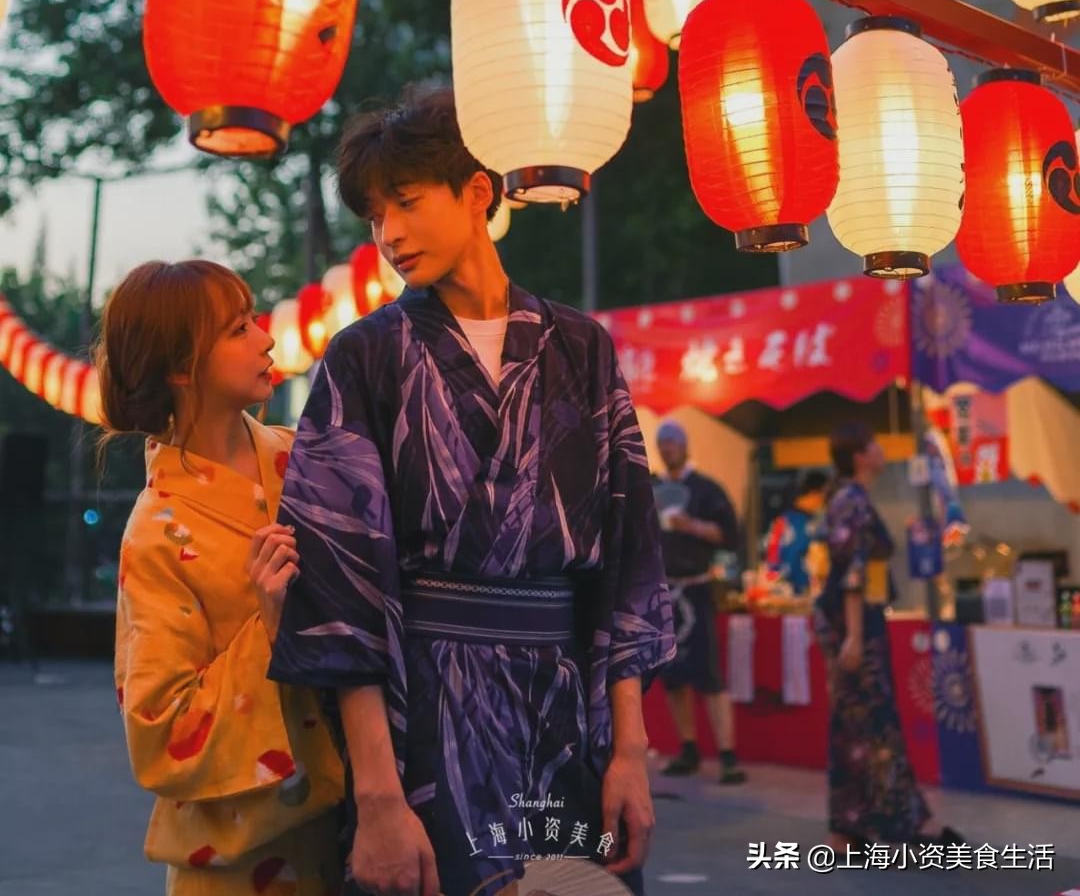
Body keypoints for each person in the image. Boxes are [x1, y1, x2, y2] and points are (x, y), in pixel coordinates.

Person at [269, 86, 675, 896]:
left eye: (407, 202)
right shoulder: (363, 358)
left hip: (566, 716)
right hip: (426, 718)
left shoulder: (582, 348)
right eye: (374, 216)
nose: (388, 234)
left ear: (478, 191)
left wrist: (630, 752)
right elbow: (341, 590)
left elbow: (629, 563)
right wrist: (378, 796)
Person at [97, 259, 345, 895]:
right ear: (181, 367)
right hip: (237, 868)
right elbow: (161, 729)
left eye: (254, 320)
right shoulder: (156, 533)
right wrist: (269, 628)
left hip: (356, 835)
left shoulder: (305, 461)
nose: (265, 338)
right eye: (238, 329)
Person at [813, 420, 959, 851]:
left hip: (854, 620)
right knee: (873, 720)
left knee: (853, 721)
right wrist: (855, 636)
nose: (881, 450)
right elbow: (853, 572)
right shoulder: (851, 501)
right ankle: (896, 823)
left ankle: (850, 826)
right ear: (861, 456)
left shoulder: (847, 498)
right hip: (855, 622)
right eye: (874, 444)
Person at [652, 421, 746, 786]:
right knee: (672, 676)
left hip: (697, 588)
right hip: (664, 591)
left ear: (684, 445)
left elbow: (730, 536)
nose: (667, 448)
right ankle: (688, 748)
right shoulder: (652, 488)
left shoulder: (706, 489)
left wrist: (692, 525)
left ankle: (728, 755)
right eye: (662, 443)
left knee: (709, 674)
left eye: (672, 441)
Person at [763, 469, 828, 595]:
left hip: (780, 590)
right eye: (825, 494)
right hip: (800, 590)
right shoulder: (811, 524)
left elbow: (771, 558)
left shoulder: (782, 520)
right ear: (815, 493)